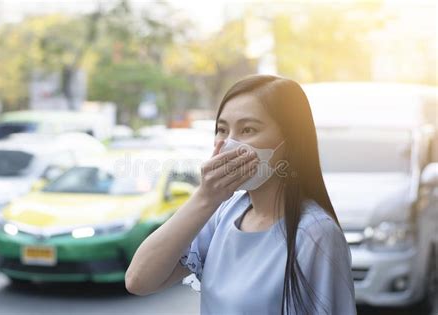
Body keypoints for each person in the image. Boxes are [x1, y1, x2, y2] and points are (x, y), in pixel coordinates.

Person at [125, 74, 356, 315]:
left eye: (248, 129)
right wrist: (205, 198)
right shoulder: (224, 213)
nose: (229, 143)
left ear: (289, 141)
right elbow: (139, 280)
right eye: (222, 130)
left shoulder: (314, 233)